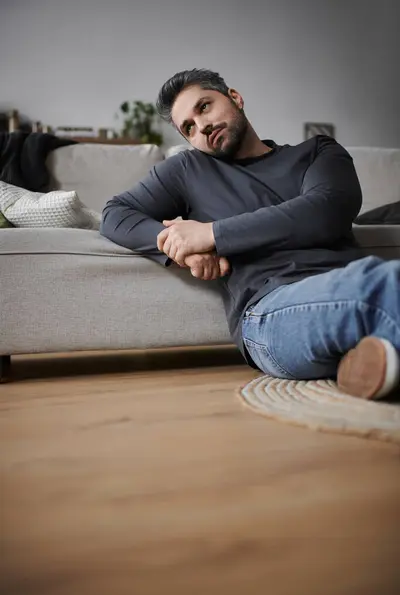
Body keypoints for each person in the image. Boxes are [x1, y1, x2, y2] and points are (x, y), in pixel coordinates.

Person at [100, 68, 400, 400]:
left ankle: (366, 360)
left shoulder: (317, 152)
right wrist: (181, 248)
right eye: (188, 128)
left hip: (347, 281)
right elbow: (115, 215)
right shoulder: (188, 170)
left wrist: (212, 234)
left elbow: (325, 211)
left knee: (381, 287)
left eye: (204, 107)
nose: (201, 126)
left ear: (235, 98)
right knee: (387, 286)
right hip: (271, 316)